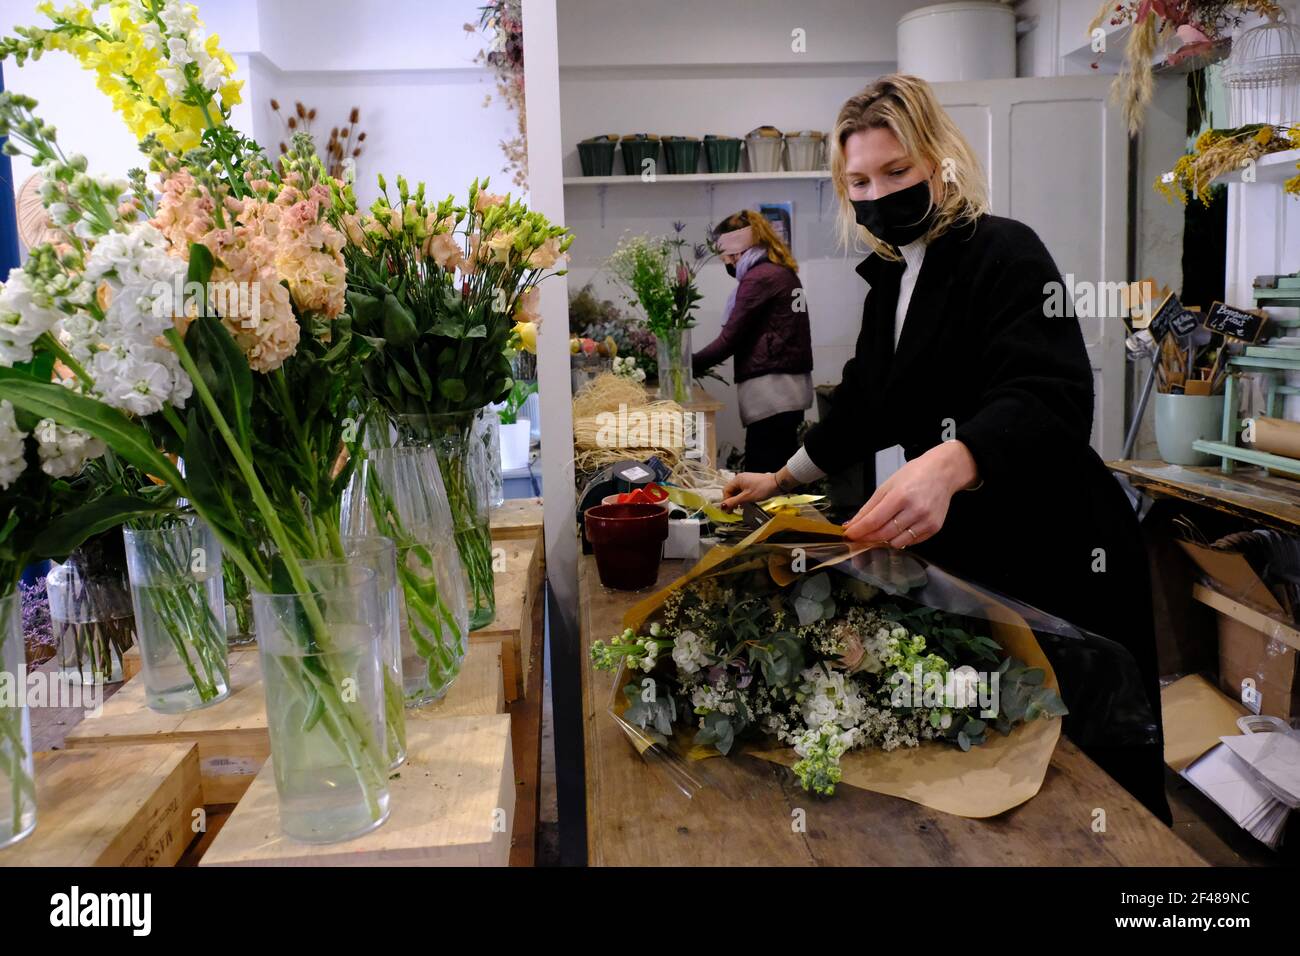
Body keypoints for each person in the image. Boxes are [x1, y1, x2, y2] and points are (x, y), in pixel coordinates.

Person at [720, 75, 1172, 824]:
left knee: (1092, 770)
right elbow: (864, 402)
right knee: (1005, 759)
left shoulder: (1004, 252)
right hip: (971, 547)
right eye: (859, 180)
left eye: (896, 172)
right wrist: (779, 476)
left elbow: (1050, 394)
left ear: (939, 161)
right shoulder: (890, 281)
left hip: (1061, 546)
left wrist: (954, 459)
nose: (877, 192)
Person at [692, 210, 812, 473]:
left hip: (773, 392)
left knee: (763, 475)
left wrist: (684, 366)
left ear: (736, 254)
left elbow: (729, 340)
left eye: (724, 257)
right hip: (788, 389)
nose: (726, 264)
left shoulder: (759, 278)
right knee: (778, 472)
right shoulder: (780, 271)